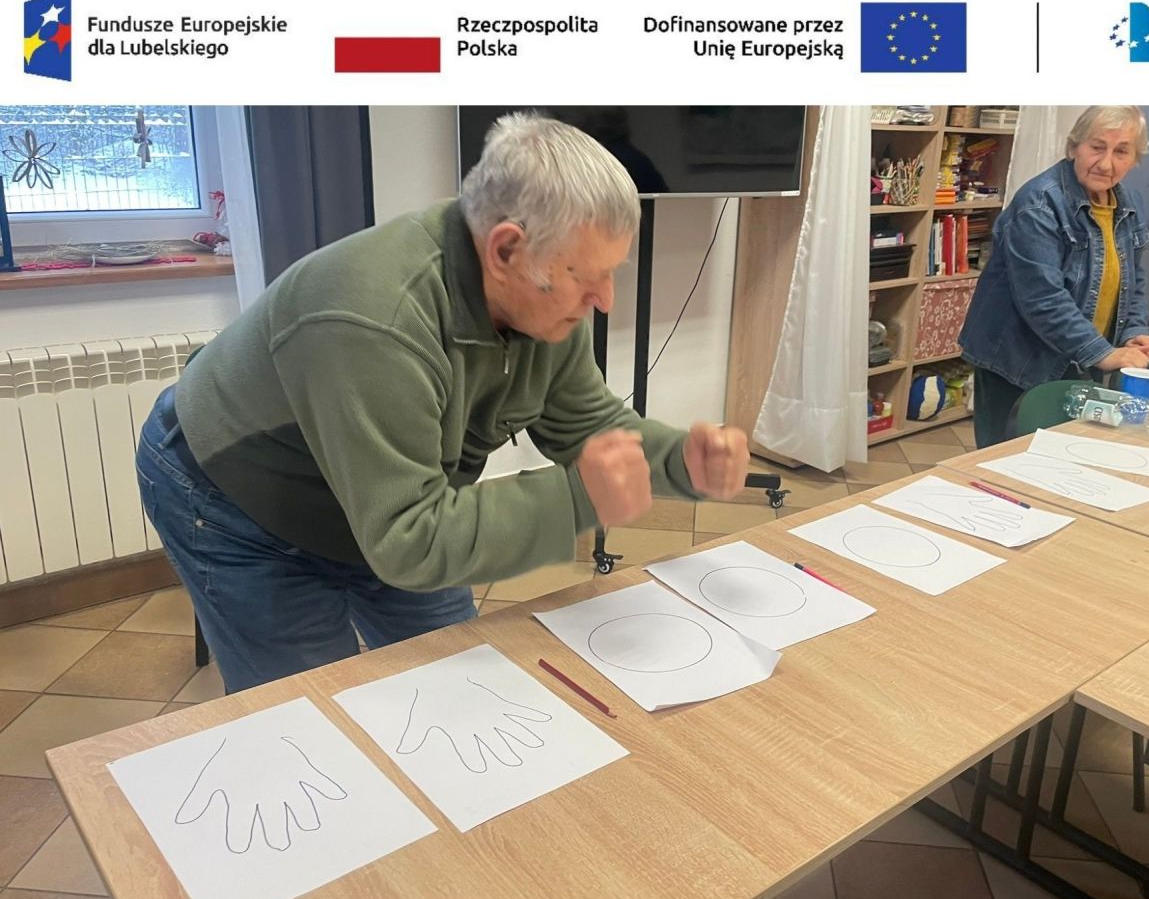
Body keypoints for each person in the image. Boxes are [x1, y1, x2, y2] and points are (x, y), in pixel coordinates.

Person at [136, 113, 750, 693]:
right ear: (506, 250)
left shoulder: (542, 304)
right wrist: (575, 499)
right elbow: (409, 540)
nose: (606, 299)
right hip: (236, 496)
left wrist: (680, 460)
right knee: (311, 713)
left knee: (460, 683)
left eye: (612, 272)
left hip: (389, 503)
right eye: (586, 276)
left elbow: (588, 424)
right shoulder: (375, 318)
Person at [958, 105, 1149, 447]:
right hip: (1018, 360)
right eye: (1097, 147)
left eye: (1121, 151)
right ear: (1074, 147)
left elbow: (1133, 280)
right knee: (1004, 461)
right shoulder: (1039, 204)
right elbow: (1042, 298)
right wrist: (1103, 354)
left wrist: (1135, 332)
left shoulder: (1130, 203)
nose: (1106, 163)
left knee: (1061, 457)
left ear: (1135, 159)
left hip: (1079, 355)